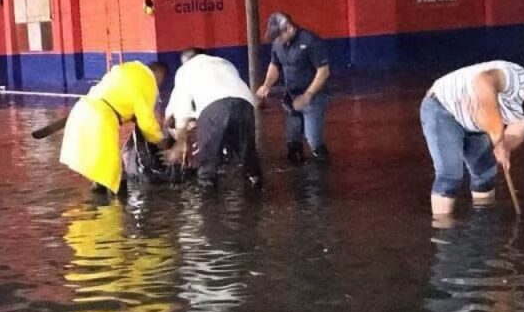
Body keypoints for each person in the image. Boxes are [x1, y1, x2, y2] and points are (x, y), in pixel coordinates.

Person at [422, 61, 524, 217]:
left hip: (477, 124)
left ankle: (484, 225)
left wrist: (503, 147)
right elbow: (483, 80)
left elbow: (516, 134)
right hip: (443, 108)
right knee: (450, 175)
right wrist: (496, 131)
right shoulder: (513, 78)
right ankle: (443, 231)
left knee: (486, 174)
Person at [60, 61, 169, 194]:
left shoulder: (128, 69)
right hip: (100, 119)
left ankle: (97, 205)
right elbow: (146, 123)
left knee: (99, 169)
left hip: (80, 112)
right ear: (159, 75)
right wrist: (161, 141)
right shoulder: (148, 80)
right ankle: (116, 210)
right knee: (114, 172)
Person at [164, 47, 262, 187]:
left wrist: (180, 142)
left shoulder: (185, 70)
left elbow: (181, 109)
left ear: (185, 62)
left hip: (213, 109)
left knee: (207, 167)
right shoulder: (224, 63)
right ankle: (256, 184)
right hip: (245, 104)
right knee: (248, 156)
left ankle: (209, 200)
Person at [255, 12, 331, 163]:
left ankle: (324, 167)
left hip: (314, 97)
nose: (276, 40)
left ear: (288, 28)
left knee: (313, 140)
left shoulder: (310, 41)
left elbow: (324, 71)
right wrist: (267, 84)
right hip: (291, 97)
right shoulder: (278, 44)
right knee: (292, 141)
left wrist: (308, 95)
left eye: (278, 36)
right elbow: (274, 65)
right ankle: (298, 171)